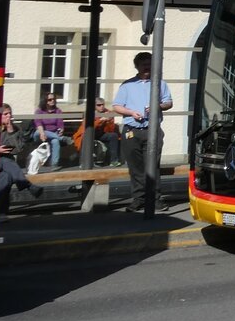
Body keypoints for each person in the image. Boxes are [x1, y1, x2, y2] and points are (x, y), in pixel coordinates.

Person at [112, 51, 173, 212]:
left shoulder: (160, 83)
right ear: (137, 66)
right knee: (135, 167)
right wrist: (131, 112)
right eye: (144, 65)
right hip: (131, 131)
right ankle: (138, 199)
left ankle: (155, 199)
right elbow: (117, 106)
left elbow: (168, 102)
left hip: (152, 130)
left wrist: (157, 106)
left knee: (153, 166)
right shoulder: (127, 85)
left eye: (149, 65)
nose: (147, 68)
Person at [0, 105, 44, 217]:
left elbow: (17, 149)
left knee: (6, 177)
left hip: (5, 167)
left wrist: (10, 130)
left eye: (10, 113)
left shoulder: (15, 129)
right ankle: (28, 185)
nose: (9, 116)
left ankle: (0, 212)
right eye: (5, 114)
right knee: (3, 159)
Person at [74, 98, 122, 167]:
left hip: (101, 134)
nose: (101, 107)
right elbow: (88, 126)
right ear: (95, 106)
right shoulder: (90, 113)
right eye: (99, 105)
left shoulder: (107, 112)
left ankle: (114, 160)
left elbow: (111, 129)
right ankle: (83, 162)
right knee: (84, 138)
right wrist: (101, 120)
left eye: (103, 105)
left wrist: (108, 121)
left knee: (113, 136)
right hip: (90, 133)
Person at [31, 91, 73, 169]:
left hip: (54, 134)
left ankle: (54, 164)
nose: (52, 101)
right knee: (38, 132)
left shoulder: (58, 111)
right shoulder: (39, 111)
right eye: (49, 99)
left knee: (55, 141)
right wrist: (42, 133)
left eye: (53, 99)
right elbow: (38, 123)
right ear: (45, 101)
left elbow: (60, 124)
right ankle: (62, 139)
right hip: (40, 134)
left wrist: (61, 130)